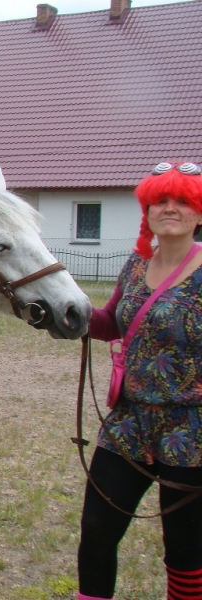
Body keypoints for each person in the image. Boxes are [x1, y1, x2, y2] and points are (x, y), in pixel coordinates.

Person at [77, 162, 202, 600]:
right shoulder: (136, 265)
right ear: (146, 212)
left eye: (182, 201)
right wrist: (69, 313)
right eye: (159, 201)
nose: (170, 208)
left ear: (198, 213)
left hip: (191, 428)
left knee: (185, 548)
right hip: (128, 421)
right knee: (96, 529)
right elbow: (111, 321)